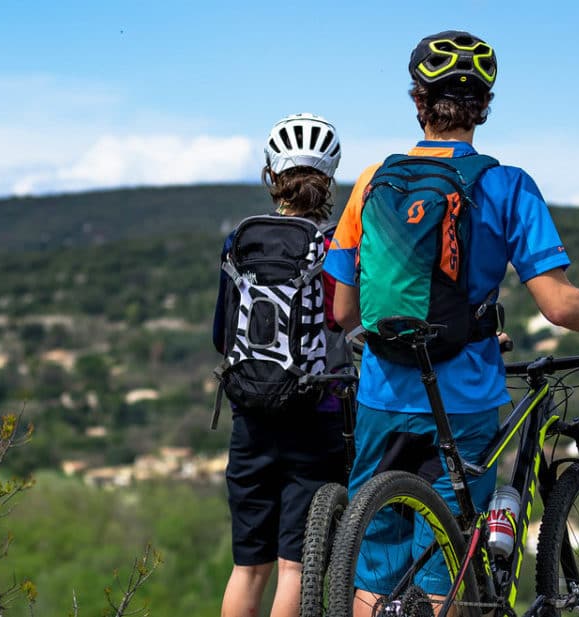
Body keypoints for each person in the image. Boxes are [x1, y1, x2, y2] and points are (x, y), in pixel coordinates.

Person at [322, 31, 579, 615]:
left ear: (418, 102)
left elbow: (340, 311)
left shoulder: (370, 182)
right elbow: (559, 305)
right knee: (445, 573)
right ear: (483, 106)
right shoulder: (508, 185)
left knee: (375, 568)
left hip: (383, 394)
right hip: (463, 399)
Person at [215, 113, 353, 617]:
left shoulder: (241, 241)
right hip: (316, 413)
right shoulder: (336, 244)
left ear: (270, 175)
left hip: (250, 415)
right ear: (331, 177)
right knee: (294, 567)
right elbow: (344, 323)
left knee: (248, 568)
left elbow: (220, 334)